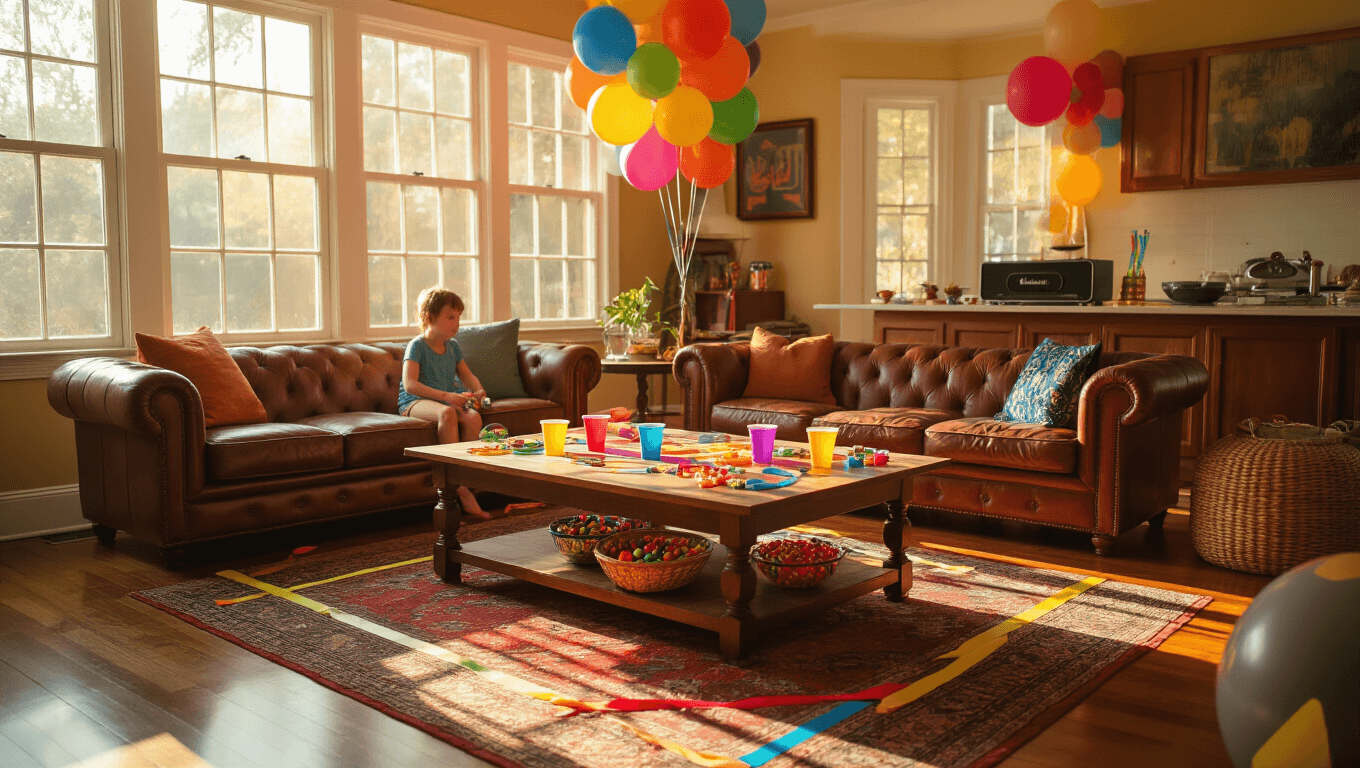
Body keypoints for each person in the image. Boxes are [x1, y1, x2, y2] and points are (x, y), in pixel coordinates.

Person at [398, 287, 491, 518]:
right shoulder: (417, 345)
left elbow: (467, 375)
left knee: (474, 417)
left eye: (458, 317)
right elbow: (410, 384)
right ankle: (458, 487)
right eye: (450, 317)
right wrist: (447, 397)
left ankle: (465, 476)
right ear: (429, 317)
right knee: (447, 414)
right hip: (415, 401)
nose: (456, 323)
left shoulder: (453, 346)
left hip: (446, 401)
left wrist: (478, 390)